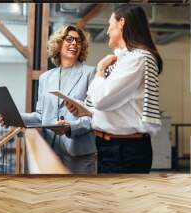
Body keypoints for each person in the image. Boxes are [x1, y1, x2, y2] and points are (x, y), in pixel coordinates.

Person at [66, 4, 163, 173]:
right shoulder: (125, 60)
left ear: (122, 22)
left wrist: (100, 70)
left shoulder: (137, 59)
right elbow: (115, 107)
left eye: (110, 24)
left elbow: (102, 99)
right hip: (112, 147)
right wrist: (85, 110)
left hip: (124, 150)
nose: (108, 31)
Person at [0, 25, 97, 174]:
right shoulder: (46, 78)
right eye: (69, 39)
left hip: (79, 154)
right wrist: (13, 118)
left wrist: (71, 127)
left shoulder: (90, 73)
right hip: (50, 150)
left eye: (78, 41)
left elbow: (94, 116)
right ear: (58, 44)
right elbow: (40, 116)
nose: (74, 44)